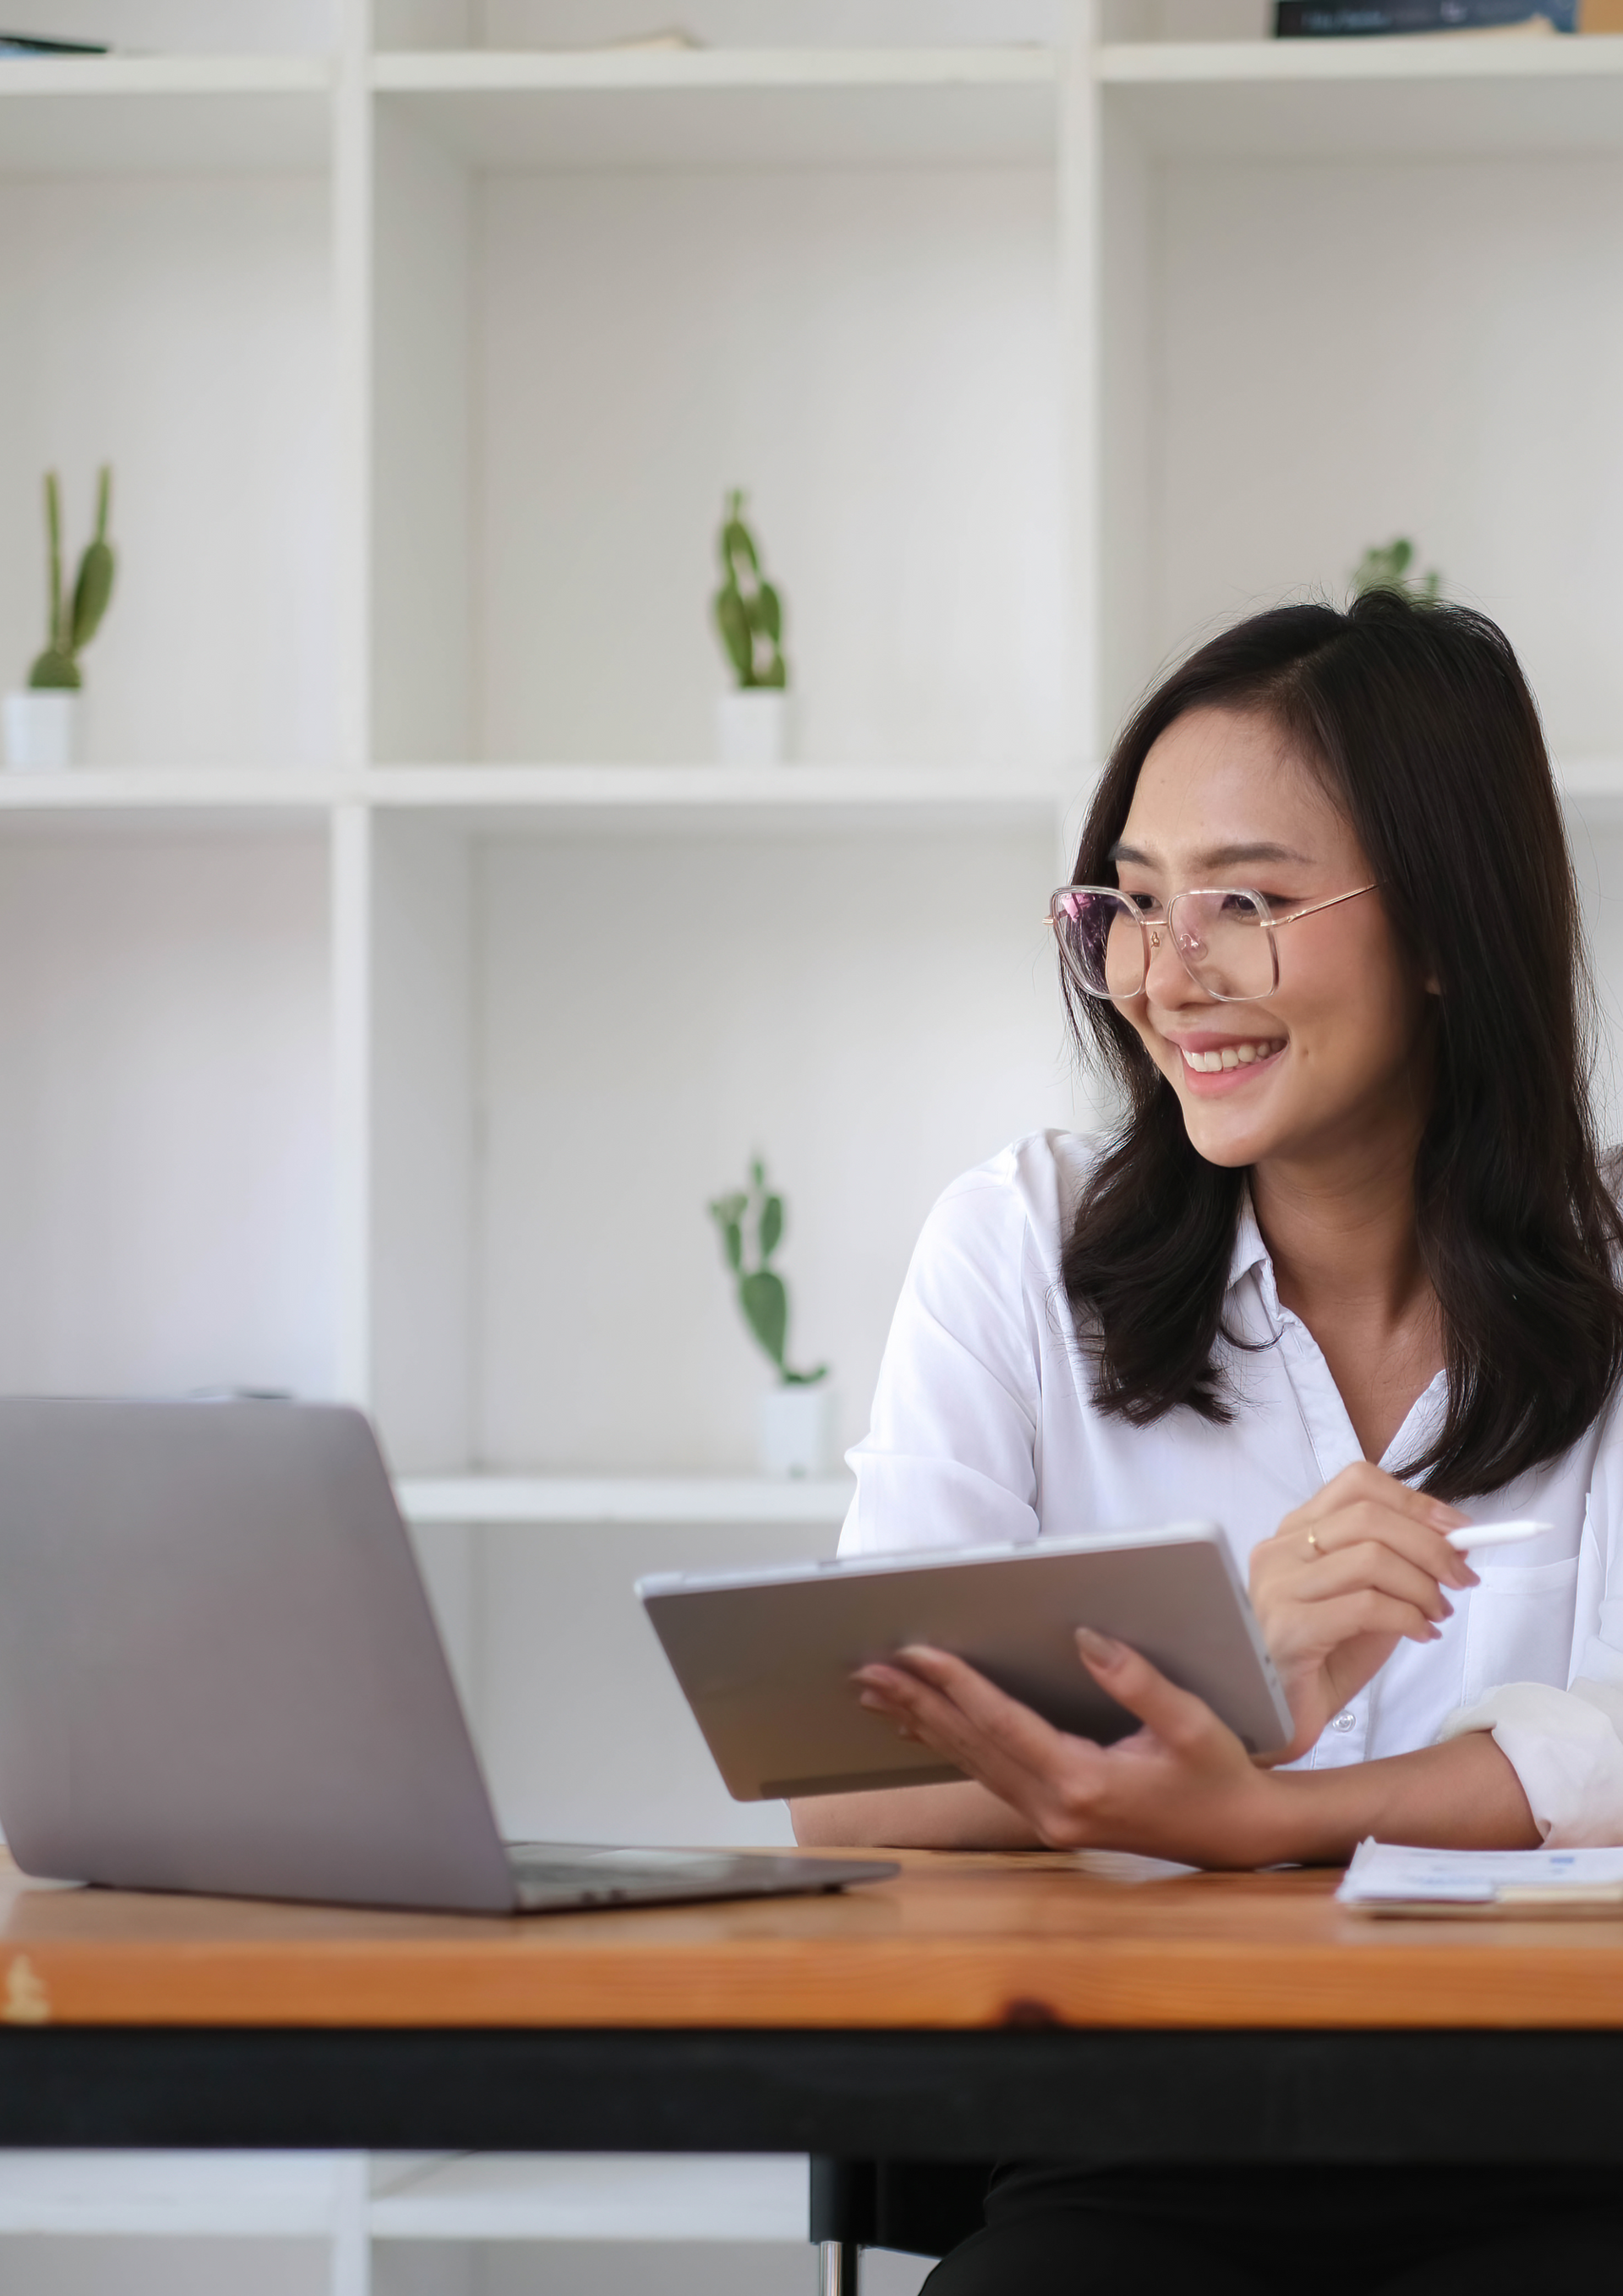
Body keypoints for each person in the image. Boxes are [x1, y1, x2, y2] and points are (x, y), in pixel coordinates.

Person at [791, 590, 1623, 2290]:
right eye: (1135, 901)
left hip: (1569, 2138)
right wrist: (1219, 1663)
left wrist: (1250, 1812)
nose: (1168, 977)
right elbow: (843, 1770)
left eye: (1243, 899)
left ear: (1449, 923)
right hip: (1137, 2143)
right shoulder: (1023, 1244)